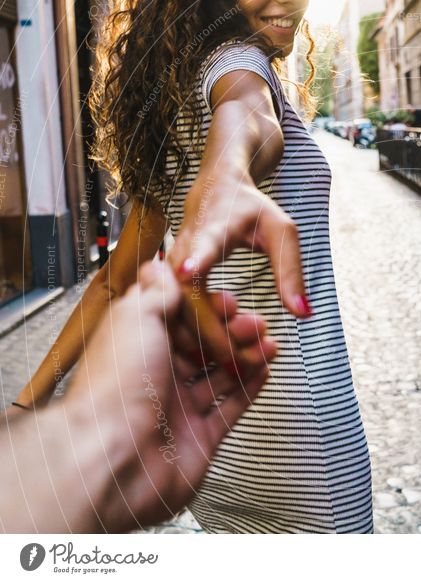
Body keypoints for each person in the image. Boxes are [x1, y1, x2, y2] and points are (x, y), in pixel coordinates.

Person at [16, 0, 373, 533]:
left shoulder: (181, 98)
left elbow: (114, 282)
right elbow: (246, 111)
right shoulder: (238, 64)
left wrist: (27, 404)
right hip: (304, 443)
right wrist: (228, 171)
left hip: (214, 444)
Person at [1, 260, 276, 533]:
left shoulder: (158, 215)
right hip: (236, 405)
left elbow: (112, 284)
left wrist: (37, 402)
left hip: (199, 421)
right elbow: (112, 284)